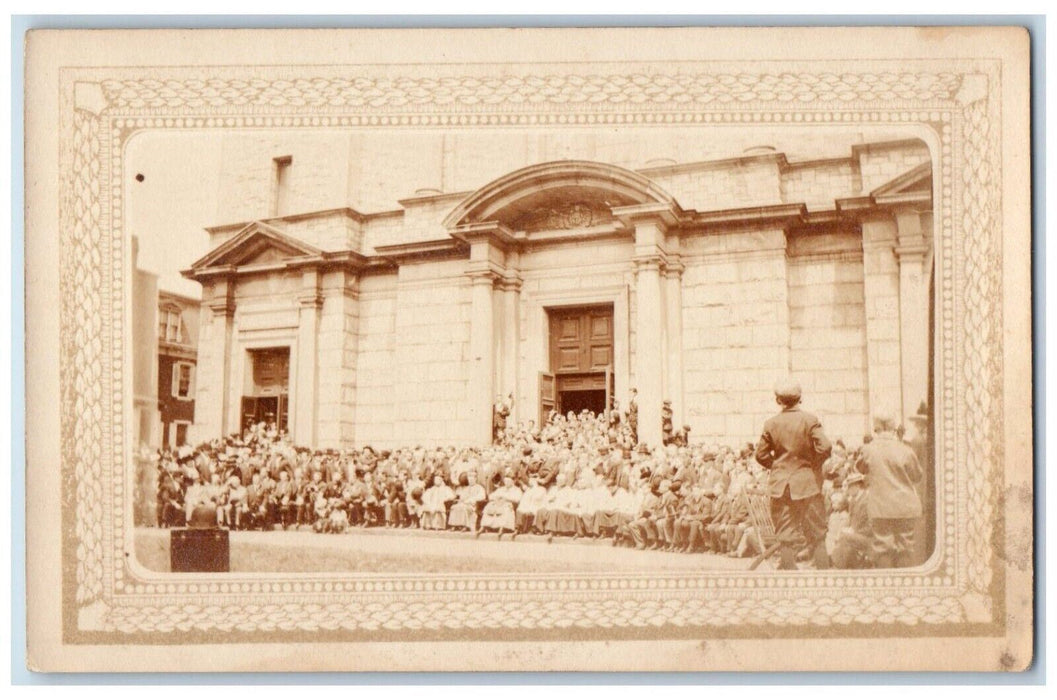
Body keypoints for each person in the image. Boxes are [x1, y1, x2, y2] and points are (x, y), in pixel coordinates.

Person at [754, 378, 833, 569]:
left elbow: (760, 455)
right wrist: (810, 465)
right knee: (818, 535)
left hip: (781, 488)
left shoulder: (770, 424)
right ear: (800, 399)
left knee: (786, 537)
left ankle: (789, 583)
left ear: (778, 400)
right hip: (808, 485)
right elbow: (826, 446)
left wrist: (778, 467)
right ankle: (825, 580)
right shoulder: (810, 420)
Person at [856, 410, 924, 568]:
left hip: (881, 509)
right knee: (905, 549)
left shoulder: (868, 450)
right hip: (906, 508)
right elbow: (917, 476)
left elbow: (860, 468)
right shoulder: (906, 450)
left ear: (876, 427)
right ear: (894, 428)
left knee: (882, 550)